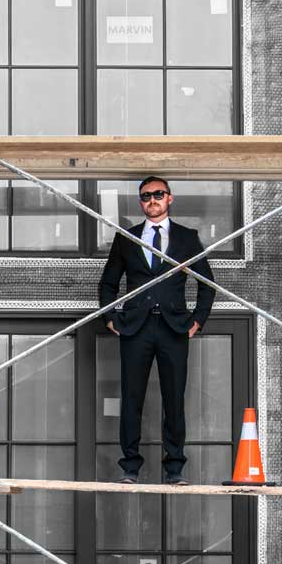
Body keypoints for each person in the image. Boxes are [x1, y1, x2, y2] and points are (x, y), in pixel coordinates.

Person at [96, 176, 214, 484]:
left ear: (169, 198)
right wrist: (110, 318)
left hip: (174, 329)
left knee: (174, 399)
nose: (152, 200)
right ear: (141, 202)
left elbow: (208, 284)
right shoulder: (127, 237)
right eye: (146, 196)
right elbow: (108, 282)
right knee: (132, 398)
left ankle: (174, 468)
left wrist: (197, 320)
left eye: (158, 194)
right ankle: (130, 467)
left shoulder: (187, 238)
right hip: (136, 328)